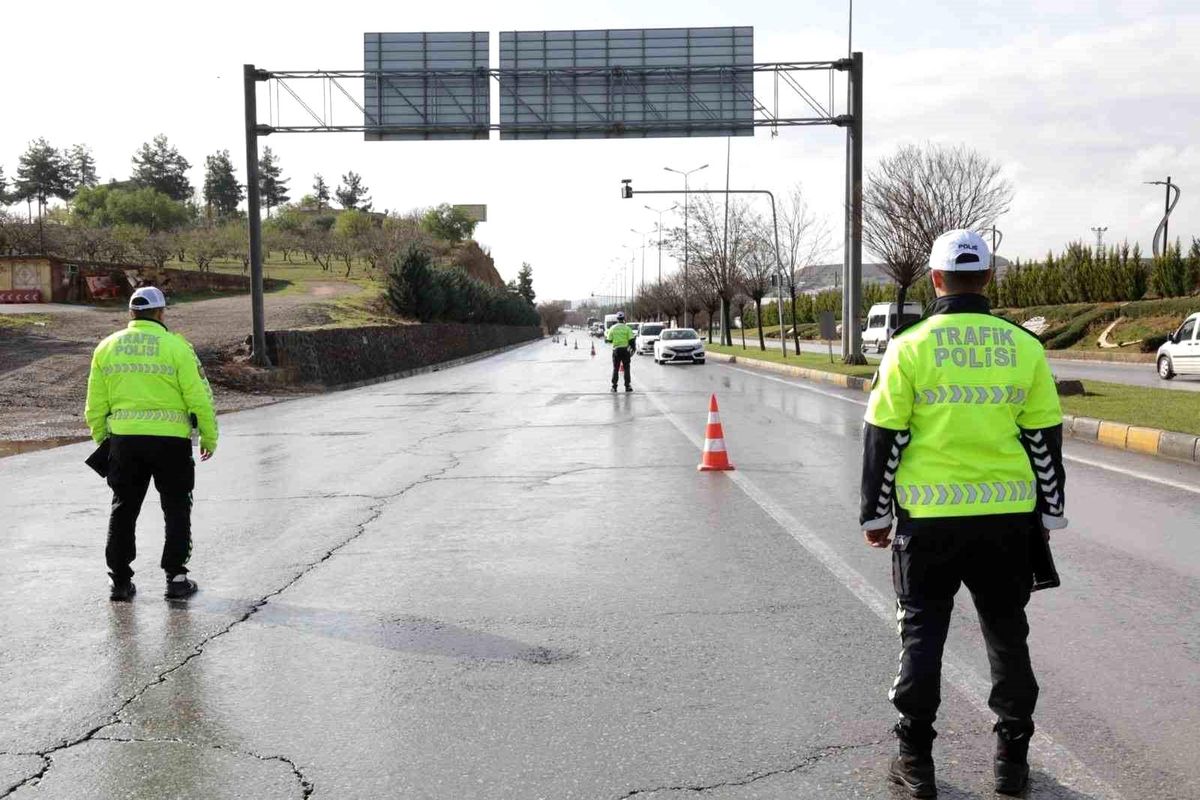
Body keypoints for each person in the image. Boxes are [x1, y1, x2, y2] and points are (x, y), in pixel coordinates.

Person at [859, 229, 1067, 797]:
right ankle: (1011, 763)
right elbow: (1043, 439)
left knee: (922, 636)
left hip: (928, 524)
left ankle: (916, 762)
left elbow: (885, 437)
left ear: (934, 279)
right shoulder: (1024, 347)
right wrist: (1052, 512)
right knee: (1007, 636)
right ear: (989, 278)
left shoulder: (909, 346)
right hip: (1007, 523)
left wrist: (875, 515)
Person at [85, 286, 218, 602]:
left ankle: (119, 581)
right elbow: (198, 396)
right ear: (161, 313)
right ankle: (176, 577)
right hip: (171, 443)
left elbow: (95, 404)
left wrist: (103, 438)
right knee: (175, 506)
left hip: (125, 442)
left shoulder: (106, 347)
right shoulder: (176, 347)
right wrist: (209, 436)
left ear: (131, 313)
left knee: (124, 507)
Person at [605, 312, 635, 392]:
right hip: (625, 350)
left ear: (617, 319)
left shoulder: (612, 328)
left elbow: (608, 340)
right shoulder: (627, 328)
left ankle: (614, 387)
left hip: (616, 350)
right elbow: (632, 340)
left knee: (616, 368)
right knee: (626, 368)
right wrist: (633, 350)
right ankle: (627, 386)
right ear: (624, 319)